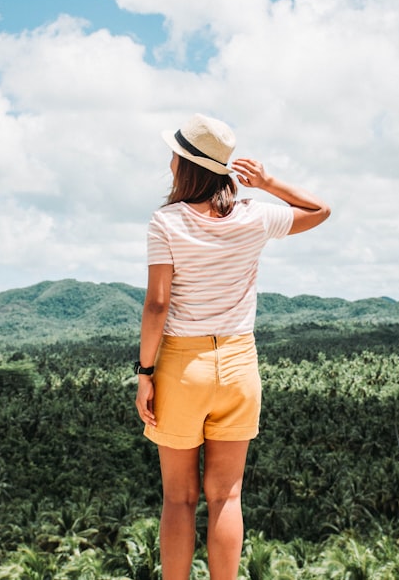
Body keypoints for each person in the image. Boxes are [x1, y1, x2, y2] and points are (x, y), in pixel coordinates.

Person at [134, 113, 330, 579]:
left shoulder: (166, 222)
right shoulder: (254, 216)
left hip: (183, 365)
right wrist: (266, 181)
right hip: (240, 366)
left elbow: (157, 305)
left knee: (180, 497)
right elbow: (320, 210)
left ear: (185, 165)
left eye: (175, 155)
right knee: (226, 496)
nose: (169, 161)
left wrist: (144, 374)